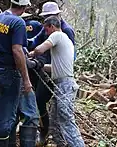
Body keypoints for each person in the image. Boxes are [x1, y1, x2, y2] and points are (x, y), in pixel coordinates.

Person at [0, 0, 34, 147]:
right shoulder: (18, 23)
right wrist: (26, 80)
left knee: (2, 113)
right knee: (6, 119)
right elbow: (17, 50)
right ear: (25, 7)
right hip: (10, 74)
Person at [29, 16, 85, 147]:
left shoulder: (58, 36)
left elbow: (39, 49)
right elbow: (55, 68)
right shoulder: (65, 41)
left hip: (65, 85)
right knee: (55, 121)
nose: (45, 33)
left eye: (46, 30)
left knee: (66, 119)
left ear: (52, 27)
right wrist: (38, 65)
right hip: (62, 83)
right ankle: (60, 144)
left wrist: (29, 55)